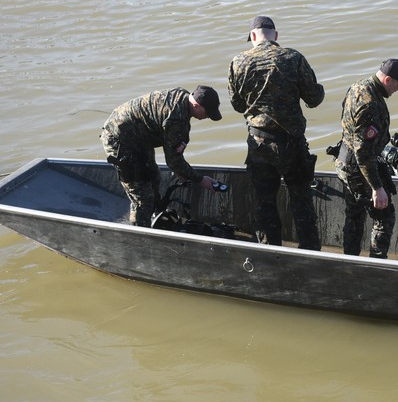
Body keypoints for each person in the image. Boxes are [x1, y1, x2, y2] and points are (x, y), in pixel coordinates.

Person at [228, 15, 325, 250]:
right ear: (276, 36)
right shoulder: (293, 58)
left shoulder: (238, 62)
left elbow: (237, 105)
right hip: (292, 143)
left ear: (253, 36)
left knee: (264, 202)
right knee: (301, 199)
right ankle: (311, 253)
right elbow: (314, 99)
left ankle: (270, 252)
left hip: (259, 143)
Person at [100, 85, 223, 227]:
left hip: (138, 137)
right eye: (208, 112)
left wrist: (182, 172)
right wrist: (201, 180)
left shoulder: (182, 95)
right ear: (196, 105)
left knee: (153, 176)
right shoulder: (177, 119)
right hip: (119, 140)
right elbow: (173, 161)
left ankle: (153, 219)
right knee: (142, 197)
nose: (208, 116)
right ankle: (141, 235)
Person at [331, 58, 398, 258]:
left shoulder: (357, 86)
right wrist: (377, 189)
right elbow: (363, 152)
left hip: (344, 162)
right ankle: (377, 263)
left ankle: (350, 259)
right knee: (384, 216)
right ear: (387, 80)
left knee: (355, 215)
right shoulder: (371, 105)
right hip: (360, 167)